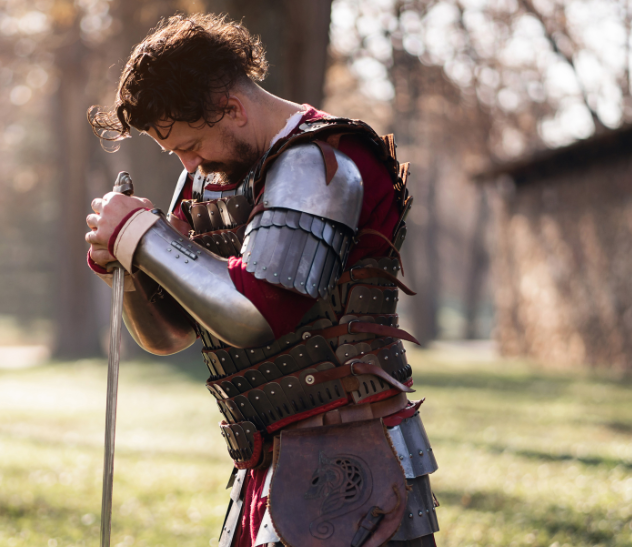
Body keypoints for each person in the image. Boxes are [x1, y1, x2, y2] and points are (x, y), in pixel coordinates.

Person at [85, 13, 439, 547]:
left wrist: (142, 236)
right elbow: (172, 334)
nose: (190, 163)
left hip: (349, 462)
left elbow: (256, 312)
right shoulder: (208, 177)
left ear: (232, 107)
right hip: (268, 464)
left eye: (191, 143)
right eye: (176, 151)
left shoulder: (320, 162)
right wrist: (130, 264)